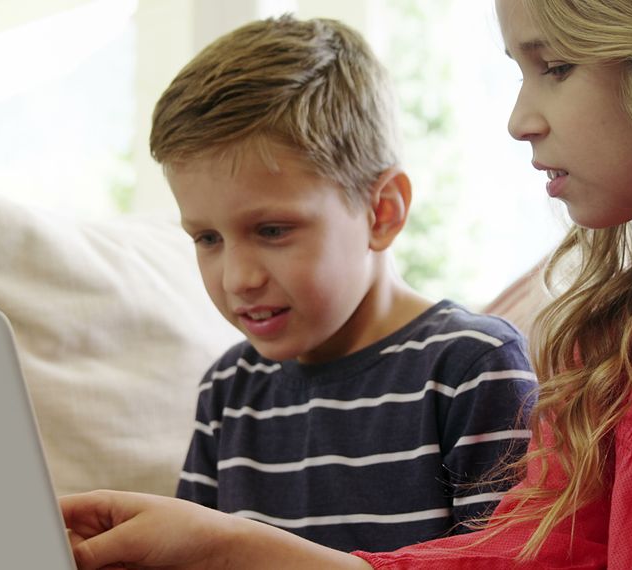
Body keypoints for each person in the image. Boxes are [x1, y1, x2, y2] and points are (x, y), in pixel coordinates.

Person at [59, 0, 632, 567]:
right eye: (204, 238)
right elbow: (528, 551)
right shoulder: (621, 342)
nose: (518, 120)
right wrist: (223, 547)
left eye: (556, 66)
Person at [143, 14, 538, 553]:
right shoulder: (228, 392)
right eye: (207, 238)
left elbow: (505, 563)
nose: (237, 278)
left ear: (382, 212)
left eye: (273, 230)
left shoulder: (471, 369)